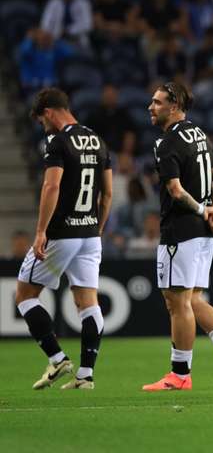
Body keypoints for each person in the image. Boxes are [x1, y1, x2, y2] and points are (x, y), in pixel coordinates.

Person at [142, 82, 213, 391]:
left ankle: (180, 374)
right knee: (191, 299)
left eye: (157, 102)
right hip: (203, 233)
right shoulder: (199, 133)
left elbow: (175, 190)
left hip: (181, 230)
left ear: (174, 106)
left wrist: (204, 211)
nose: (151, 107)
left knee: (177, 302)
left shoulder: (167, 142)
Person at [15, 88, 112, 390]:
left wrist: (41, 231)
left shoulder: (58, 141)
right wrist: (98, 227)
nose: (43, 127)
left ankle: (57, 358)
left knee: (25, 295)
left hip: (62, 232)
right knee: (88, 302)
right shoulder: (97, 140)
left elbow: (51, 187)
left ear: (49, 112)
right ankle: (86, 375)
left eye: (42, 120)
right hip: (89, 233)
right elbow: (107, 193)